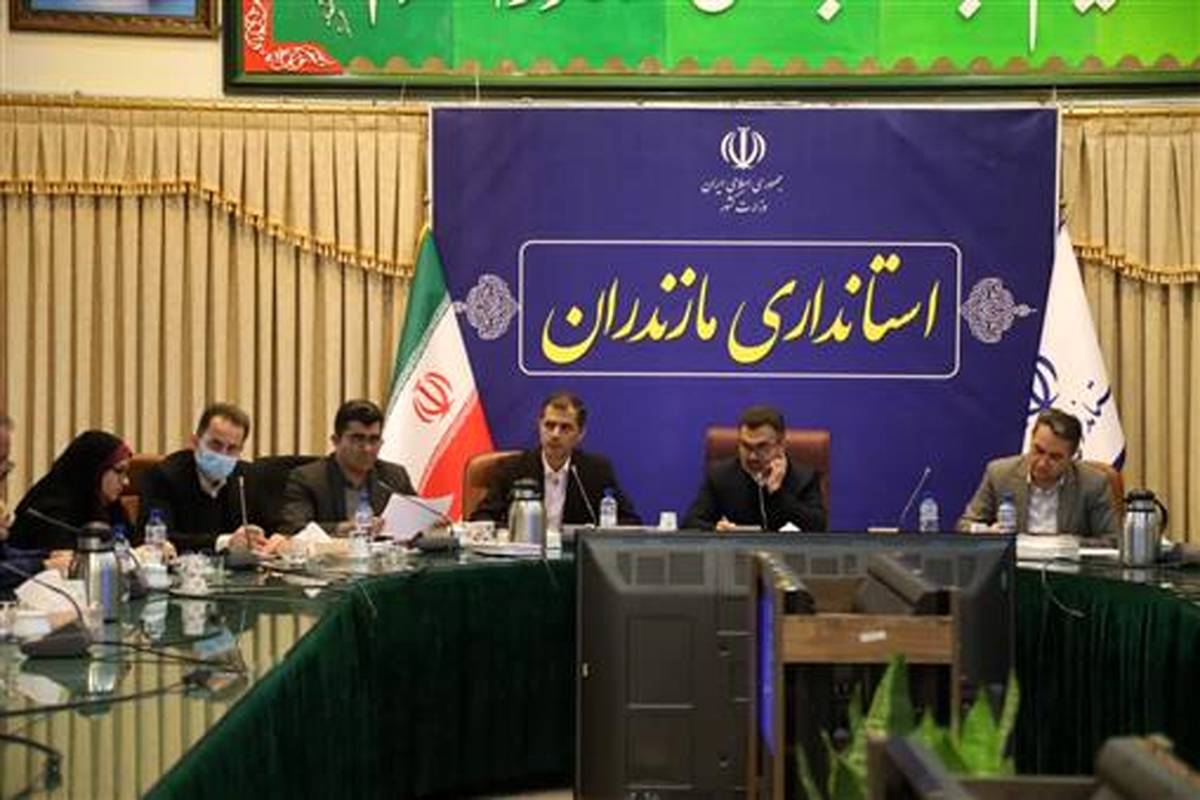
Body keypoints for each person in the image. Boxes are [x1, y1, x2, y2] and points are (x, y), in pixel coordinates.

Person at [470, 391, 640, 529]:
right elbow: (481, 517)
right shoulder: (513, 468)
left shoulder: (596, 471)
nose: (555, 435)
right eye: (549, 425)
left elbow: (630, 521)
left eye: (565, 428)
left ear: (580, 434)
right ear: (539, 426)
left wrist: (597, 533)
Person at [138, 403, 287, 555]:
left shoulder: (248, 477)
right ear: (195, 442)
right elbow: (158, 540)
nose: (223, 454)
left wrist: (277, 539)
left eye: (232, 448)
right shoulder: (162, 476)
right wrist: (225, 542)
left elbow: (275, 527)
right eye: (216, 445)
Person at [957, 408, 1119, 538]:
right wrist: (987, 532)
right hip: (1014, 566)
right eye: (1038, 450)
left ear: (1072, 457)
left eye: (1055, 457)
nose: (1042, 463)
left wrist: (1068, 546)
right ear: (1031, 440)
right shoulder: (999, 474)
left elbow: (1112, 541)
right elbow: (964, 526)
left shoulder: (1093, 483)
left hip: (1067, 566)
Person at [277, 399, 415, 534]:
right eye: (357, 439)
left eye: (374, 439)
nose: (367, 448)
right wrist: (342, 528)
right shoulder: (308, 479)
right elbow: (292, 528)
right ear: (336, 441)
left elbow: (417, 521)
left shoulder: (394, 477)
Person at [682, 405, 826, 532]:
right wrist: (716, 530)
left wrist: (778, 492)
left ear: (781, 445)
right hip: (735, 552)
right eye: (746, 446)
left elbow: (818, 527)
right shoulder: (719, 476)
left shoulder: (804, 478)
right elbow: (690, 524)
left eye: (761, 446)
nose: (752, 456)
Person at [7, 429, 133, 552]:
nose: (126, 481)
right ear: (94, 470)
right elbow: (64, 559)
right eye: (119, 471)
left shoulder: (108, 506)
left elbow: (131, 547)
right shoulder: (50, 513)